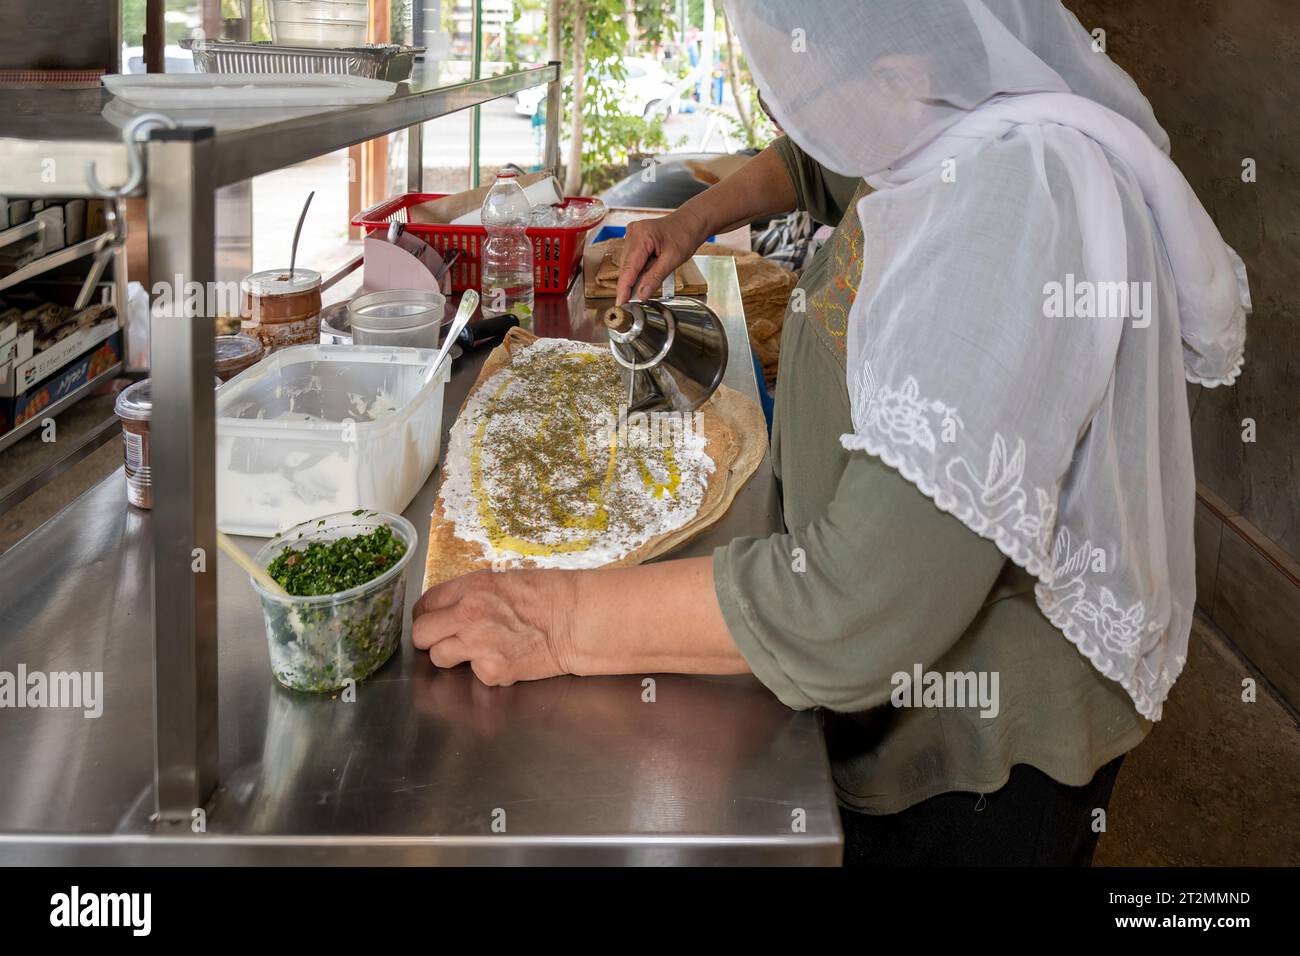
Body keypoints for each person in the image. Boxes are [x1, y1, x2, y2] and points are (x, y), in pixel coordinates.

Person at [412, 0, 1249, 865]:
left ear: (901, 74)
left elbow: (857, 608)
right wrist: (695, 218)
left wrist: (555, 621)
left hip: (978, 760)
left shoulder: (1013, 215)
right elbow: (818, 165)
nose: (792, 125)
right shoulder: (941, 117)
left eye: (799, 95)